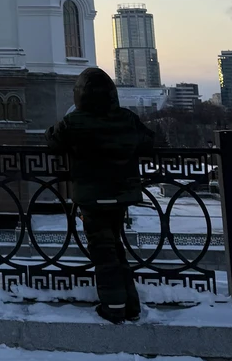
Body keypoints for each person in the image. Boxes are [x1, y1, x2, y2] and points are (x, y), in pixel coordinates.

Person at [46, 67, 155, 324]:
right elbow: (149, 140)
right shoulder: (126, 119)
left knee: (103, 250)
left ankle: (114, 306)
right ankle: (131, 305)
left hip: (92, 197)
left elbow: (52, 140)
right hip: (121, 195)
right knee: (115, 246)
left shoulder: (74, 122)